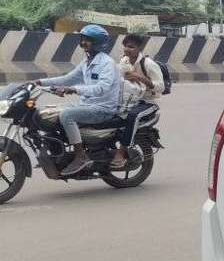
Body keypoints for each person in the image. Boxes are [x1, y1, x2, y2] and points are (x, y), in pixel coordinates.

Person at [34, 25, 122, 176]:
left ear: (97, 42)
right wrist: (40, 82)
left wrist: (75, 89)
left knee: (67, 115)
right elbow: (67, 78)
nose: (82, 42)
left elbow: (102, 88)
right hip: (87, 105)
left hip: (103, 108)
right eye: (82, 39)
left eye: (87, 40)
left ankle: (80, 156)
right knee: (47, 113)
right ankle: (57, 151)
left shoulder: (106, 63)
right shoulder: (86, 62)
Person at [111, 34, 164, 169]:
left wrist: (139, 77)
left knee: (133, 116)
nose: (127, 49)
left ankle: (121, 152)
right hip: (129, 100)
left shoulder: (148, 64)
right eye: (125, 46)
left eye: (131, 47)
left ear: (139, 48)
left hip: (147, 102)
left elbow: (160, 86)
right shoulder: (124, 61)